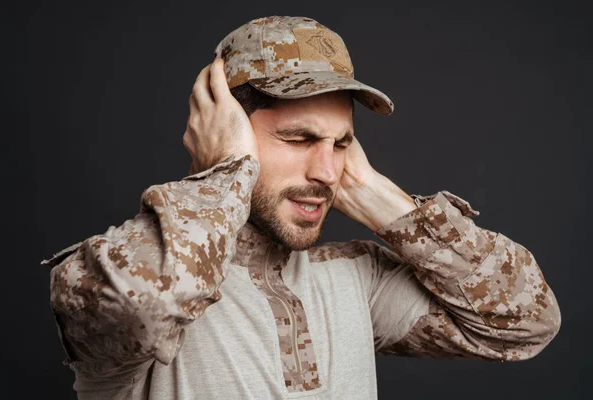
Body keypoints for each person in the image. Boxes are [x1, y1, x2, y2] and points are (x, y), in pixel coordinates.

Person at [41, 16, 561, 399]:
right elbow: (145, 308)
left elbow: (528, 321)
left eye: (341, 144)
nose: (327, 172)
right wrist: (224, 173)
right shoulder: (118, 268)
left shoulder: (356, 281)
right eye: (298, 137)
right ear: (228, 132)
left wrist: (376, 195)